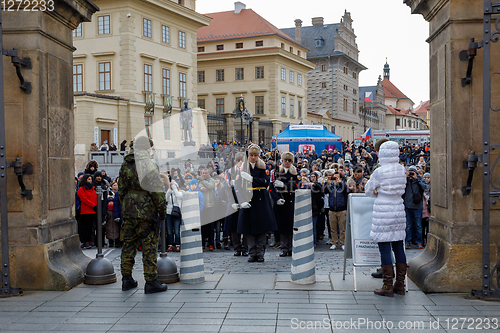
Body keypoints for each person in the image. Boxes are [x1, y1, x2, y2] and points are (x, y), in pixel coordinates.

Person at [118, 136, 167, 294]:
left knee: (128, 245)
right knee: (149, 246)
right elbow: (156, 190)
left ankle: (126, 279)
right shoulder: (149, 164)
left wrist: (127, 204)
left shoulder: (126, 163)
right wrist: (162, 210)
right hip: (147, 213)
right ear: (147, 148)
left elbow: (121, 189)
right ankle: (151, 281)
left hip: (129, 210)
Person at [365, 141, 408, 297]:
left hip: (383, 209)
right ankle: (400, 285)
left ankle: (387, 285)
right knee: (398, 246)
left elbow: (368, 191)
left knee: (384, 248)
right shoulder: (402, 169)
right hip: (398, 208)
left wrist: (377, 191)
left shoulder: (379, 171)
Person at [236, 144, 277, 262]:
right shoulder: (242, 169)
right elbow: (238, 187)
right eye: (251, 155)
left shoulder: (263, 168)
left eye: (255, 155)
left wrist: (252, 179)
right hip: (248, 199)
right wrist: (241, 201)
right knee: (249, 230)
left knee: (261, 229)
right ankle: (252, 252)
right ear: (248, 156)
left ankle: (260, 253)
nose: (253, 157)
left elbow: (265, 182)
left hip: (260, 200)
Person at [270, 151, 299, 257]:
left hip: (291, 200)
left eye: (289, 160)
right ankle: (284, 247)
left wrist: (284, 185)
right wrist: (276, 199)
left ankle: (291, 247)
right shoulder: (275, 172)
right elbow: (271, 188)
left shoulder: (295, 172)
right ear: (281, 161)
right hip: (280, 201)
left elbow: (297, 184)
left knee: (291, 225)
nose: (287, 162)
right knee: (281, 226)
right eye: (285, 160)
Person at [225, 152, 248, 256]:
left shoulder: (246, 171)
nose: (240, 162)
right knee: (233, 226)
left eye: (241, 160)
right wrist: (231, 202)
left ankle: (245, 247)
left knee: (245, 224)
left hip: (244, 198)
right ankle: (237, 247)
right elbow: (227, 188)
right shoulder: (229, 172)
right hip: (233, 200)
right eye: (238, 160)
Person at [404, 165, 427, 249]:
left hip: (417, 207)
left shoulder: (420, 179)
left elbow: (425, 187)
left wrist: (416, 178)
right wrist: (406, 177)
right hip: (408, 206)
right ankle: (407, 241)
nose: (411, 173)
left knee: (418, 225)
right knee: (408, 225)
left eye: (412, 172)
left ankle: (419, 242)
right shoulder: (406, 180)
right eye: (410, 172)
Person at [326, 171, 349, 250]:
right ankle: (334, 243)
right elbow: (323, 191)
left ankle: (343, 243)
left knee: (342, 228)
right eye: (334, 177)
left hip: (342, 209)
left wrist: (340, 182)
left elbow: (347, 190)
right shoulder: (331, 186)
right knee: (333, 228)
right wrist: (327, 182)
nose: (335, 179)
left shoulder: (343, 185)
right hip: (332, 209)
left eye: (337, 177)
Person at [77, 174, 97, 249]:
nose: (90, 181)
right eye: (89, 179)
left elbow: (95, 198)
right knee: (85, 228)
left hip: (92, 211)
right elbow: (84, 199)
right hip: (85, 211)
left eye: (91, 179)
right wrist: (93, 205)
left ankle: (90, 241)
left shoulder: (93, 189)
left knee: (91, 228)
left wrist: (95, 206)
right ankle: (85, 241)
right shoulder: (81, 189)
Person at [165, 177, 182, 252]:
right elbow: (165, 199)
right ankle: (170, 245)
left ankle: (178, 245)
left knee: (177, 230)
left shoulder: (180, 193)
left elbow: (179, 196)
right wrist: (169, 190)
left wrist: (174, 188)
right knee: (169, 231)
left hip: (176, 213)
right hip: (168, 213)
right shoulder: (168, 192)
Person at [105, 180, 120, 247]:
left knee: (117, 231)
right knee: (109, 232)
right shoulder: (107, 210)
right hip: (109, 223)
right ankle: (111, 242)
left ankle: (117, 242)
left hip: (115, 221)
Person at [422, 172, 431, 247]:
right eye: (425, 178)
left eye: (428, 177)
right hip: (422, 208)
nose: (426, 179)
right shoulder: (422, 186)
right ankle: (422, 240)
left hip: (429, 209)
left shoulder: (432, 187)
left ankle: (428, 241)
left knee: (428, 227)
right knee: (422, 226)